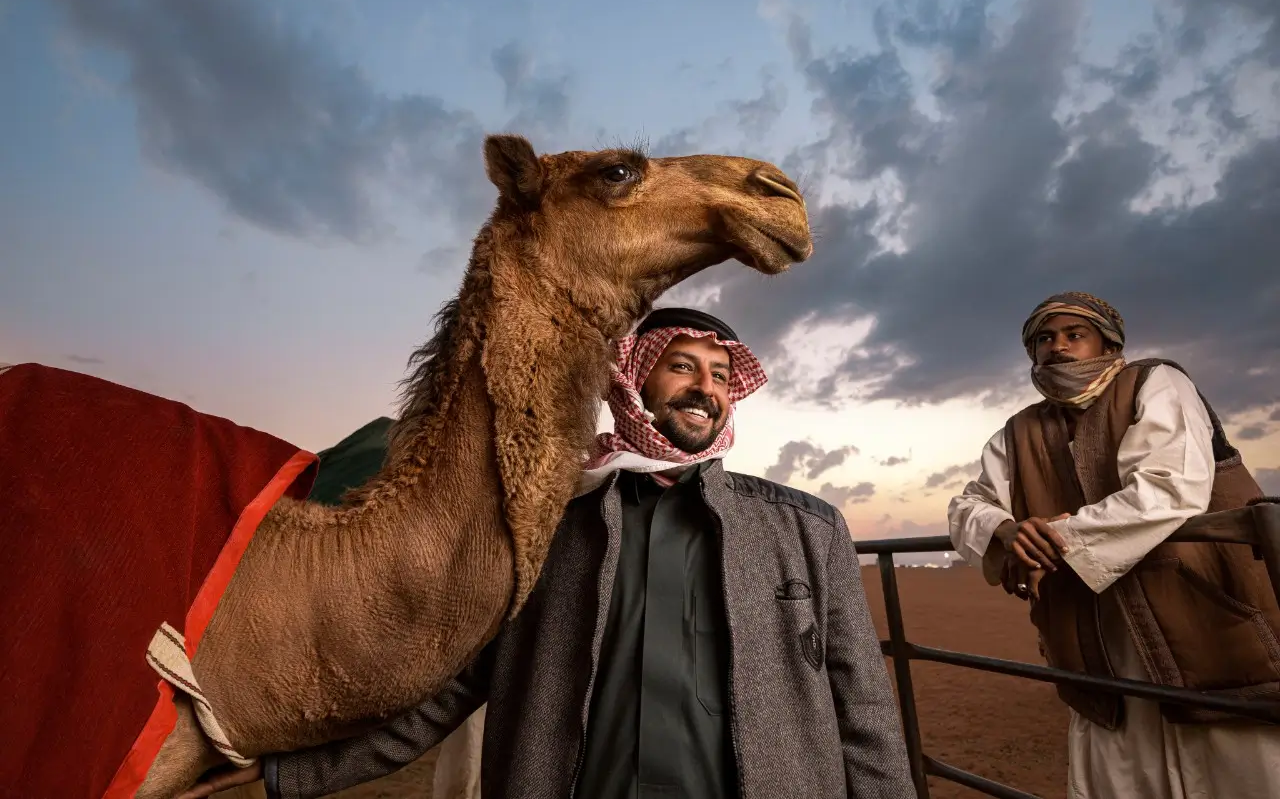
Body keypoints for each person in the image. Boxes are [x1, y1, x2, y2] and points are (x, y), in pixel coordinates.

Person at [185, 306, 915, 799]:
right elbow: (443, 691)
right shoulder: (545, 532)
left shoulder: (804, 532)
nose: (706, 389)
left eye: (722, 376)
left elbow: (865, 716)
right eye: (682, 367)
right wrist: (282, 771)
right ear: (633, 376)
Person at [946, 291, 1280, 798]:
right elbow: (966, 506)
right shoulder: (1017, 433)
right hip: (1096, 634)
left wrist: (1055, 540)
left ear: (1107, 342)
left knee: (1239, 763)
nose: (1057, 347)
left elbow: (1169, 486)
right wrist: (1008, 532)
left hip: (1202, 608)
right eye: (1044, 339)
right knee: (1119, 760)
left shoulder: (1157, 382)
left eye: (1074, 335)